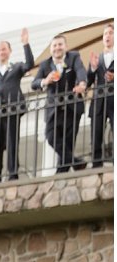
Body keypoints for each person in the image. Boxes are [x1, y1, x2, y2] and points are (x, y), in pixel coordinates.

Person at [0, 27, 36, 182]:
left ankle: (13, 173)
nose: (1, 52)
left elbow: (30, 64)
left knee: (12, 143)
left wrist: (26, 44)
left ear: (9, 51)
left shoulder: (16, 67)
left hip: (12, 110)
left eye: (3, 49)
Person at [31, 33, 88, 173]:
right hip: (53, 110)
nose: (57, 48)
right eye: (55, 45)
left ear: (66, 46)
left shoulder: (73, 57)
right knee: (50, 136)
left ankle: (61, 173)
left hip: (71, 107)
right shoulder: (45, 64)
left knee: (68, 143)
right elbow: (34, 83)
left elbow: (80, 70)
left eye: (60, 44)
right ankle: (76, 162)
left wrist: (82, 83)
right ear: (51, 49)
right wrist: (45, 81)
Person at [88, 25, 114, 168]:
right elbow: (88, 81)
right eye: (105, 33)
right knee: (96, 135)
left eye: (111, 33)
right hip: (98, 102)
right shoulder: (97, 58)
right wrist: (92, 68)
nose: (107, 36)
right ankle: (96, 164)